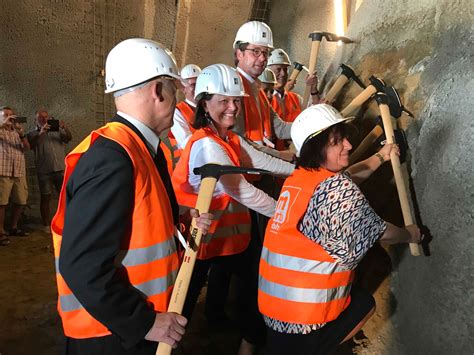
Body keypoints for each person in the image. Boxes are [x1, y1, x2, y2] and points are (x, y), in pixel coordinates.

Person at [50, 38, 212, 355]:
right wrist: (143, 322)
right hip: (110, 336)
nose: (177, 97)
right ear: (157, 91)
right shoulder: (113, 159)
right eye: (174, 88)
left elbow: (133, 217)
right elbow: (82, 264)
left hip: (126, 327)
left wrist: (175, 216)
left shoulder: (136, 148)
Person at [258, 104, 422, 355]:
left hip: (274, 312)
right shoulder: (336, 193)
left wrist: (381, 156)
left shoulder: (298, 178)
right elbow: (380, 231)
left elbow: (347, 177)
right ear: (316, 148)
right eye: (338, 142)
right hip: (303, 324)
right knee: (365, 304)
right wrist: (411, 233)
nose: (348, 145)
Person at [172, 64, 294, 355]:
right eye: (224, 101)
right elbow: (243, 191)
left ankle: (246, 345)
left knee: (254, 289)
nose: (233, 107)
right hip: (199, 238)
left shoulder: (228, 138)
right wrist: (288, 214)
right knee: (182, 305)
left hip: (229, 240)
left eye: (236, 100)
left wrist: (298, 172)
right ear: (204, 102)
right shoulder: (206, 145)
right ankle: (165, 348)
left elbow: (263, 162)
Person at [233, 21, 292, 149]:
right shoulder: (234, 89)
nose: (262, 58)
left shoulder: (258, 89)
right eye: (256, 51)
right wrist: (283, 159)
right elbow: (241, 146)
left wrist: (315, 124)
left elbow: (280, 129)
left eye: (265, 53)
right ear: (239, 54)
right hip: (246, 166)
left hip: (261, 162)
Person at [267, 48, 323, 151]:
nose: (283, 74)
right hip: (276, 158)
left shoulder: (296, 99)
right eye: (278, 69)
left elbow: (314, 115)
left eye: (285, 69)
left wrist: (313, 90)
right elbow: (280, 131)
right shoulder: (265, 101)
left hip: (300, 154)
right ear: (267, 72)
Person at [27, 110, 72, 233]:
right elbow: (32, 145)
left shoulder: (56, 130)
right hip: (44, 170)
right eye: (41, 117)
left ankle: (66, 221)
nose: (44, 119)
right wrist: (42, 132)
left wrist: (65, 128)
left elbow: (68, 138)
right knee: (45, 197)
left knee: (64, 197)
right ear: (36, 120)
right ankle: (46, 224)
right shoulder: (31, 134)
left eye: (46, 117)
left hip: (60, 168)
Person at [0, 106, 30, 245]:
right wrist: (3, 122)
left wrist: (21, 133)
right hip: (4, 171)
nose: (10, 117)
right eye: (6, 114)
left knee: (21, 201)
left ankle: (13, 227)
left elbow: (27, 147)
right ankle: (1, 232)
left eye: (12, 115)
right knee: (2, 203)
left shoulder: (17, 131)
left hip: (18, 171)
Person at [168, 64, 202, 167]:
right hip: (189, 169)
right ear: (184, 89)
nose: (198, 88)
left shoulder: (208, 108)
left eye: (200, 84)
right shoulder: (177, 112)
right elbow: (187, 142)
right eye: (193, 85)